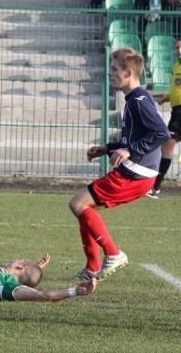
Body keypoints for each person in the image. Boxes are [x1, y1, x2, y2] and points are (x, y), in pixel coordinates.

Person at [68, 48, 169, 281]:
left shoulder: (140, 101)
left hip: (136, 173)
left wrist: (129, 150)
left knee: (77, 203)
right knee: (86, 210)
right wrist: (108, 148)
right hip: (139, 172)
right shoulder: (134, 99)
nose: (109, 73)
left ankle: (113, 254)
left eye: (114, 69)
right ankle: (92, 268)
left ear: (129, 72)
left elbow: (161, 133)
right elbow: (132, 138)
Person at [148, 39, 181, 198]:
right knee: (167, 147)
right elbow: (177, 88)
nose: (179, 50)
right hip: (177, 112)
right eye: (177, 47)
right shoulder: (175, 67)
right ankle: (155, 187)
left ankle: (155, 187)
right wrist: (166, 97)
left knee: (167, 147)